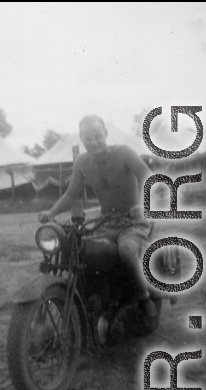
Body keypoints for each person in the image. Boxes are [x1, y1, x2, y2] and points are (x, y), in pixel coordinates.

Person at [39, 115, 157, 327]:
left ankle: (143, 297)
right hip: (106, 222)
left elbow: (146, 175)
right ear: (81, 139)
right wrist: (52, 212)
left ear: (105, 134)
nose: (93, 142)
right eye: (87, 138)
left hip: (133, 221)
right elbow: (70, 194)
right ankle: (95, 300)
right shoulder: (82, 162)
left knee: (127, 251)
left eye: (97, 136)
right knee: (81, 251)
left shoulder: (123, 152)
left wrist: (142, 204)